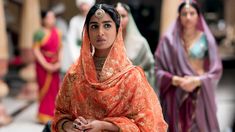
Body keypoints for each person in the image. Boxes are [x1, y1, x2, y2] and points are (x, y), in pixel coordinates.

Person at [52, 4, 167, 132]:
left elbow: (146, 126)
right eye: (94, 26)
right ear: (87, 32)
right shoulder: (74, 75)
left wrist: (104, 125)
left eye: (107, 25)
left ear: (117, 30)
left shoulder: (131, 77)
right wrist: (69, 126)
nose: (100, 32)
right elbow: (60, 116)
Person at [154, 0, 222, 132]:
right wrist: (175, 80)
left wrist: (197, 81)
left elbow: (216, 71)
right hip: (175, 95)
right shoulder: (168, 41)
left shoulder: (206, 39)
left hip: (200, 95)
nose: (188, 17)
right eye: (184, 13)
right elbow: (157, 70)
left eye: (192, 13)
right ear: (179, 16)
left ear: (198, 15)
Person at [114, 2, 155, 88]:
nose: (120, 19)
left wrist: (134, 76)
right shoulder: (104, 42)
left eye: (123, 16)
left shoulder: (140, 43)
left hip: (134, 89)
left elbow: (151, 70)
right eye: (116, 16)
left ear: (129, 18)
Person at [33, 10, 62, 124]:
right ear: (43, 19)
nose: (51, 20)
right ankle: (43, 114)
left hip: (55, 63)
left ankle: (53, 113)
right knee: (44, 89)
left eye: (53, 17)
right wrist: (46, 65)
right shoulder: (39, 33)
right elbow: (35, 50)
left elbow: (60, 48)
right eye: (49, 17)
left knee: (55, 89)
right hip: (42, 65)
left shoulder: (57, 32)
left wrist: (59, 62)